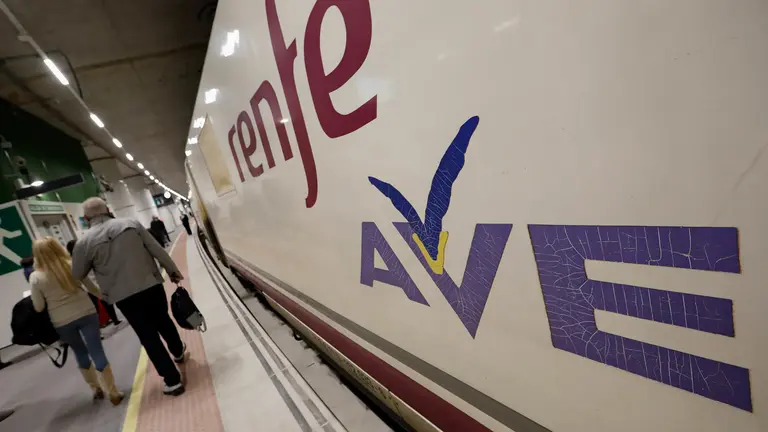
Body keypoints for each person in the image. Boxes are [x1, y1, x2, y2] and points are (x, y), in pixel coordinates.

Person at [72, 198, 187, 396]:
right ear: (108, 210)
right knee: (163, 320)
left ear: (85, 218)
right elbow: (156, 248)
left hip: (123, 296)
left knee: (147, 335)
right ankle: (178, 351)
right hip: (151, 285)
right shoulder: (131, 224)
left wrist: (100, 293)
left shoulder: (83, 243)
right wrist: (172, 270)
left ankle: (172, 380)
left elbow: (77, 275)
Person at [29, 237, 123, 405]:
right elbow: (92, 288)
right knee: (97, 350)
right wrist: (107, 297)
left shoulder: (35, 277)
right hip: (86, 312)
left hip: (62, 321)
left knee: (80, 352)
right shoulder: (72, 264)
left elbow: (39, 307)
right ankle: (113, 392)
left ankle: (96, 389)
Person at [66, 240, 121, 327]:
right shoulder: (75, 260)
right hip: (89, 285)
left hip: (91, 284)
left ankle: (112, 320)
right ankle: (108, 321)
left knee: (103, 303)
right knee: (101, 304)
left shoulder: (77, 258)